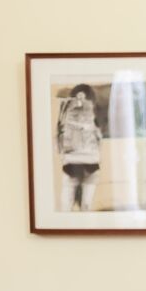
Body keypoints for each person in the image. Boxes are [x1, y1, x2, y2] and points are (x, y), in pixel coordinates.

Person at [57, 83, 103, 211]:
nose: (80, 102)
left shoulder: (94, 120)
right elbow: (61, 141)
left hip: (90, 167)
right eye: (77, 98)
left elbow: (98, 141)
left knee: (86, 206)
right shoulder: (66, 118)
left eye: (84, 98)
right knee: (66, 206)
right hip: (71, 167)